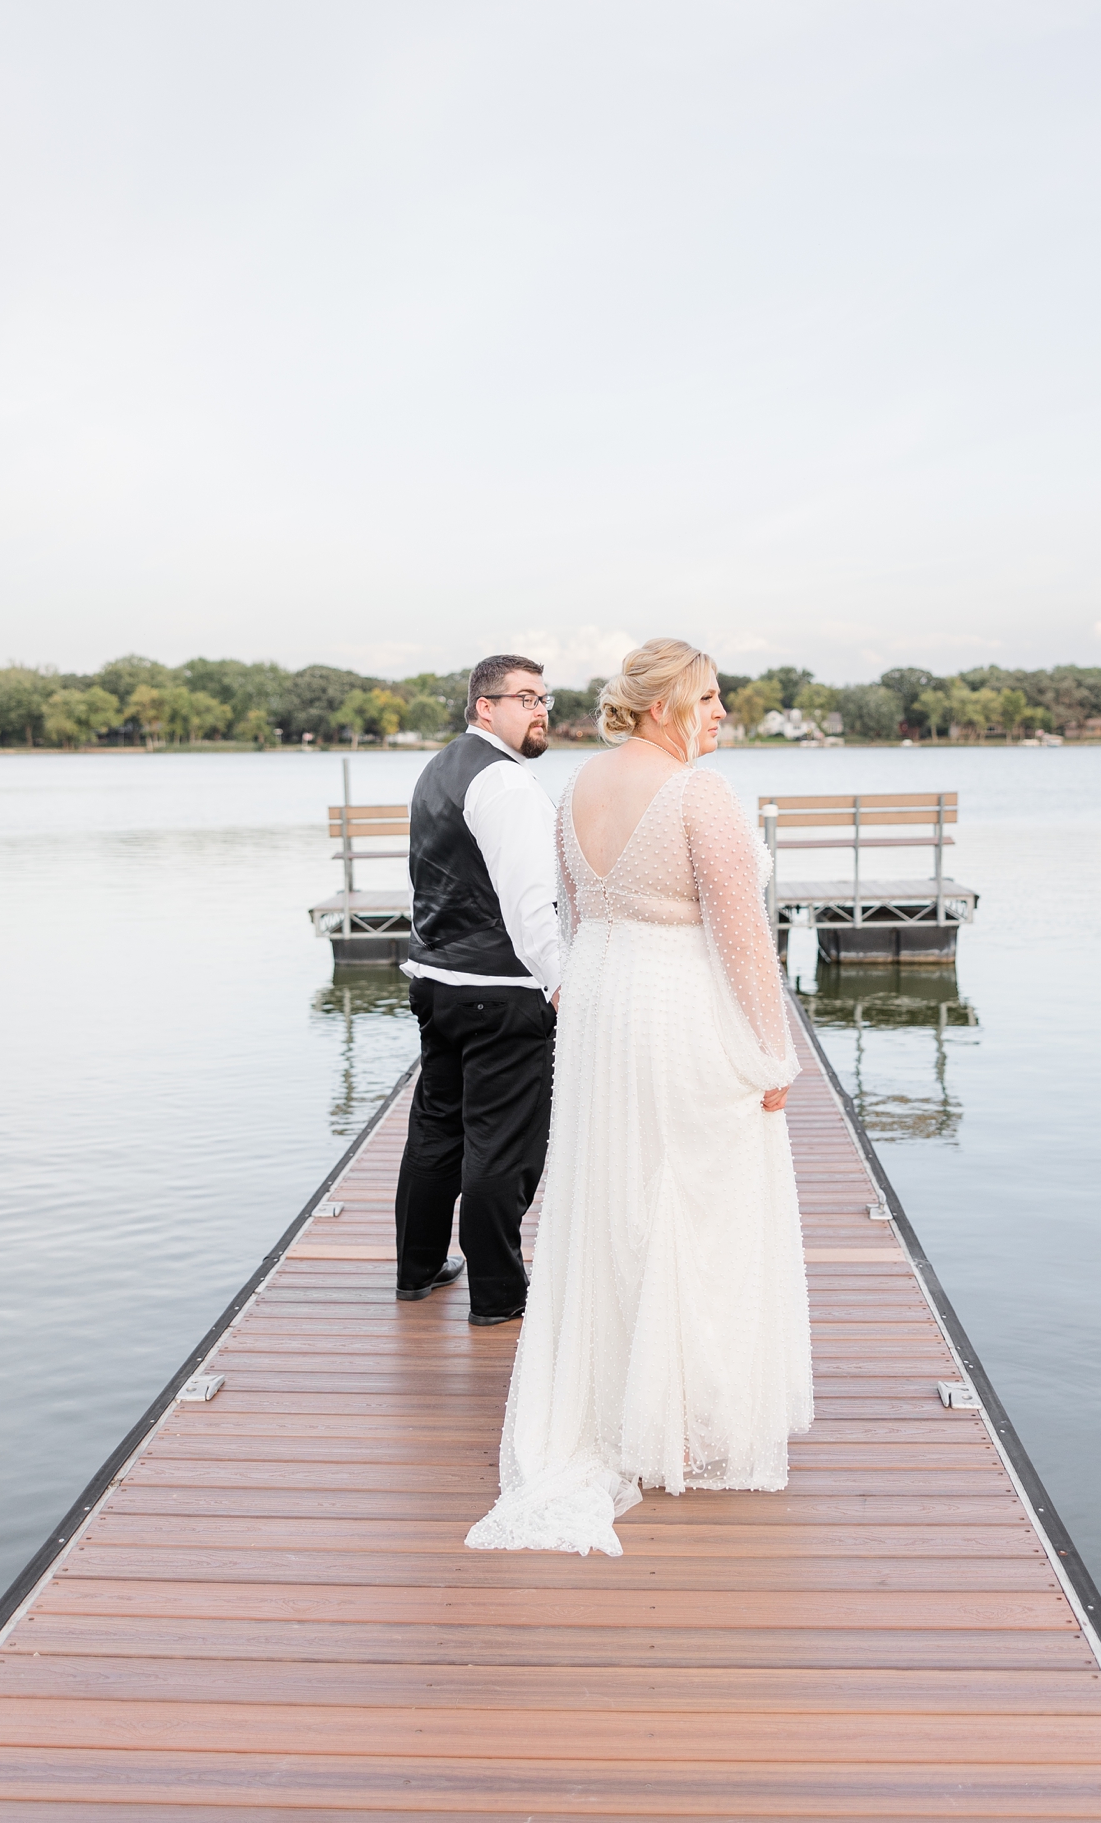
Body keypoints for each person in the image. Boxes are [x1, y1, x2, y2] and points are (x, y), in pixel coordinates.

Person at [466, 638, 813, 1557]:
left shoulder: (575, 787)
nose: (721, 714)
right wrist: (772, 1056)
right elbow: (742, 938)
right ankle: (685, 1423)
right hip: (675, 1009)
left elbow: (580, 915)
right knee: (697, 1203)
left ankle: (622, 1403)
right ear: (664, 706)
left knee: (612, 1202)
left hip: (601, 1007)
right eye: (709, 698)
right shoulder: (698, 794)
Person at [395, 654, 562, 1327]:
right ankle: (498, 1294)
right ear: (485, 707)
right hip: (499, 988)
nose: (541, 710)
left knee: (438, 1130)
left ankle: (418, 1268)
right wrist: (560, 982)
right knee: (503, 1145)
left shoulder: (439, 767)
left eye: (545, 698)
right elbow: (530, 904)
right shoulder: (507, 784)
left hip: (437, 982)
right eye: (525, 698)